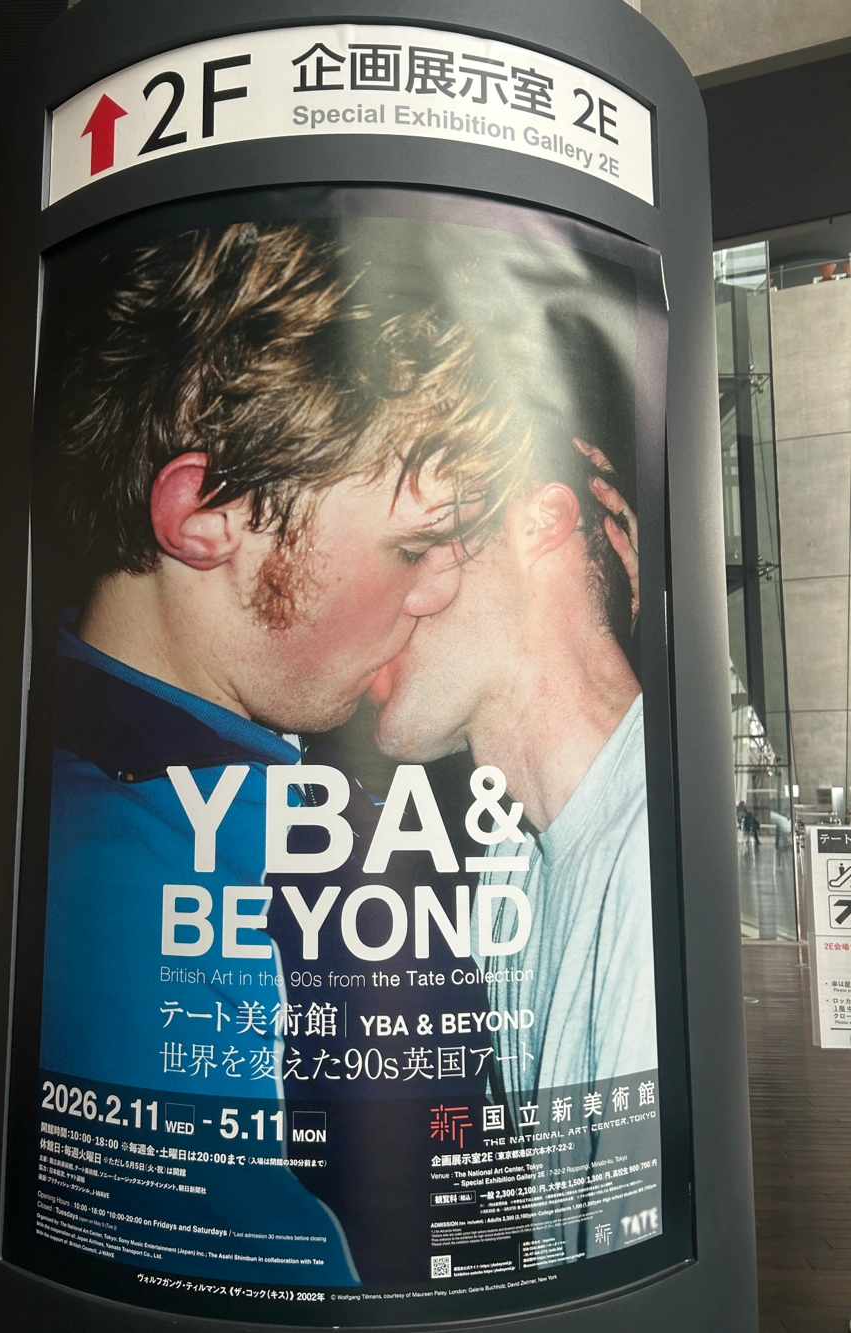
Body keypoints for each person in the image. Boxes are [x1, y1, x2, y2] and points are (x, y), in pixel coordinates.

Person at [36, 218, 519, 1285]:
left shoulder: (59, 777)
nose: (441, 587)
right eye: (412, 545)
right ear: (206, 513)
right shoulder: (229, 875)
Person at [370, 419, 658, 1260]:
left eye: (409, 548)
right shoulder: (512, 864)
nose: (371, 604)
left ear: (541, 522)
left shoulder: (652, 869)